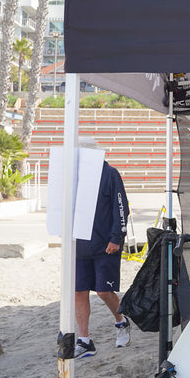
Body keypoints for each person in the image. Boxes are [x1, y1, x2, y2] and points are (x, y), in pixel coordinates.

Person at [74, 137, 132, 358]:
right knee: (79, 291)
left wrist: (116, 238)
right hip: (79, 244)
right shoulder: (75, 177)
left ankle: (121, 321)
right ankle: (85, 340)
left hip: (106, 244)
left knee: (103, 291)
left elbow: (121, 207)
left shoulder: (110, 174)